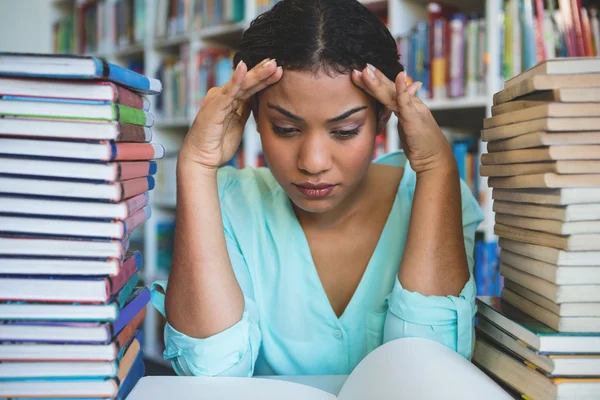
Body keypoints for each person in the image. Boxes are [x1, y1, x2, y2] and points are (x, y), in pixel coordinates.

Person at [150, 0, 483, 377]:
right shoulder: (226, 201)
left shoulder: (430, 196)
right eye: (286, 129)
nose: (313, 162)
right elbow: (208, 375)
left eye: (344, 131)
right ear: (252, 117)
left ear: (383, 117)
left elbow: (432, 372)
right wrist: (195, 166)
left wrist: (436, 166)